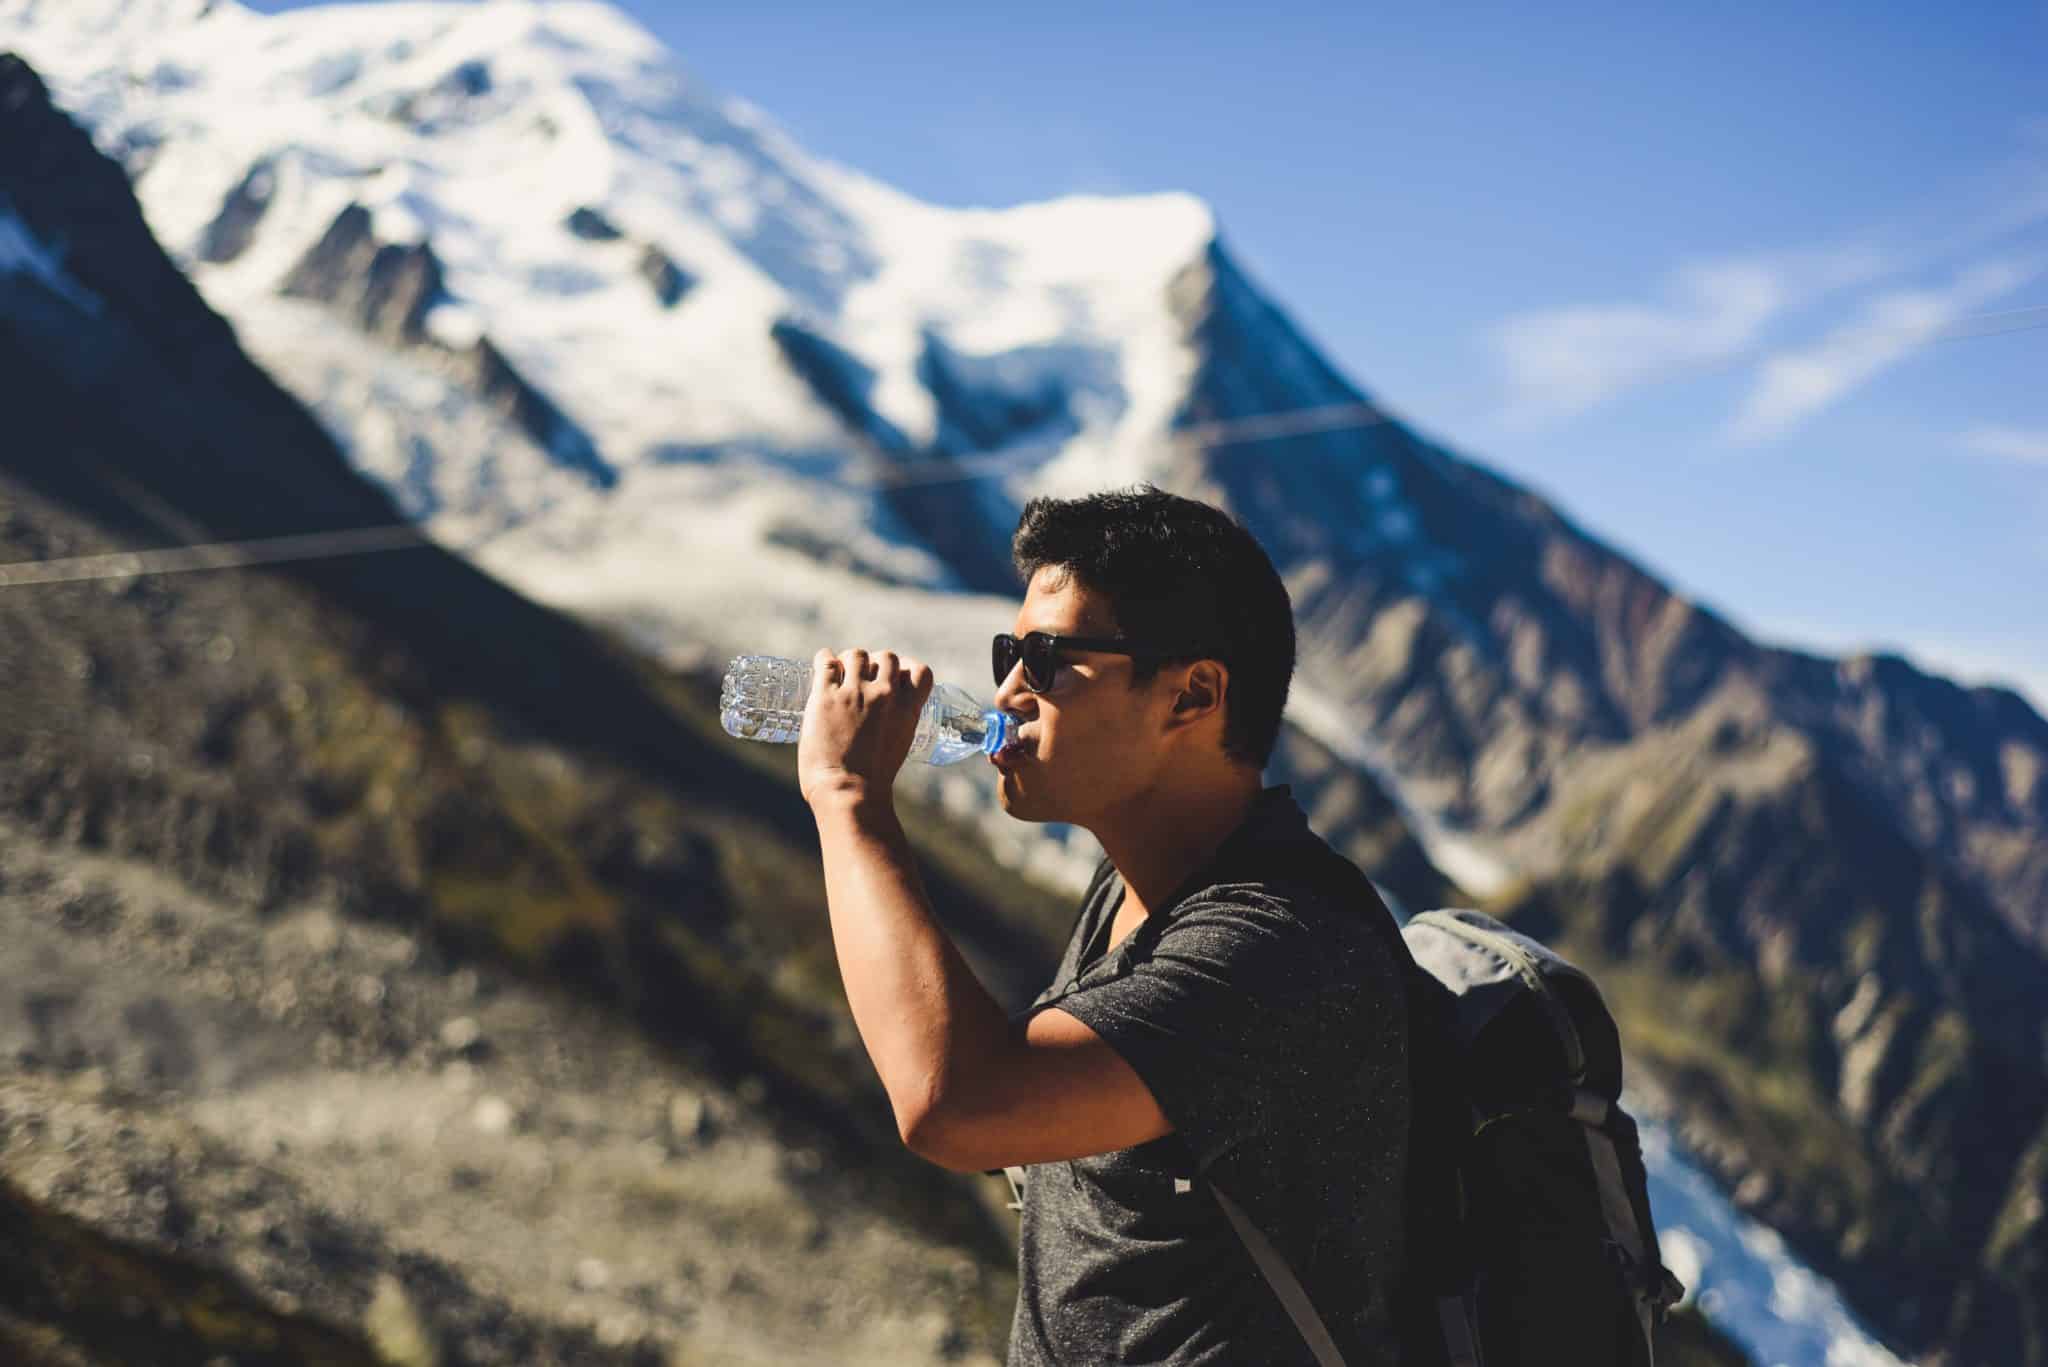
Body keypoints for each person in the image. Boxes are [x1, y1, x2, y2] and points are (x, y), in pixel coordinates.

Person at [798, 484, 1414, 1364]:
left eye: (1045, 659)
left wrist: (848, 797)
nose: (1007, 690)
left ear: (1192, 696)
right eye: (1011, 651)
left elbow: (956, 1103)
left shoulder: (1277, 945)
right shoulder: (1141, 886)